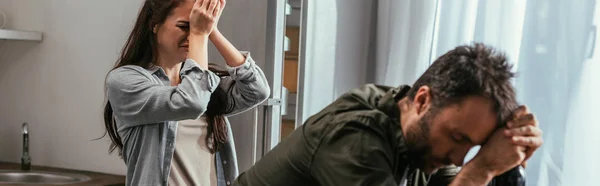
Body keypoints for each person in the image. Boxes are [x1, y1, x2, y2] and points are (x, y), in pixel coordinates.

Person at [233, 43, 543, 186]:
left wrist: (508, 165)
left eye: (471, 146)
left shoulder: (420, 141)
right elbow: (468, 178)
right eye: (458, 138)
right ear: (423, 100)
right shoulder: (356, 137)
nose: (459, 158)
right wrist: (480, 171)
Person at [102, 0, 270, 185]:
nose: (192, 35)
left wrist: (210, 30)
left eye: (197, 26)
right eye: (184, 26)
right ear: (154, 25)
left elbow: (258, 90)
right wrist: (198, 32)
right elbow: (192, 102)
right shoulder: (125, 80)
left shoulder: (206, 83)